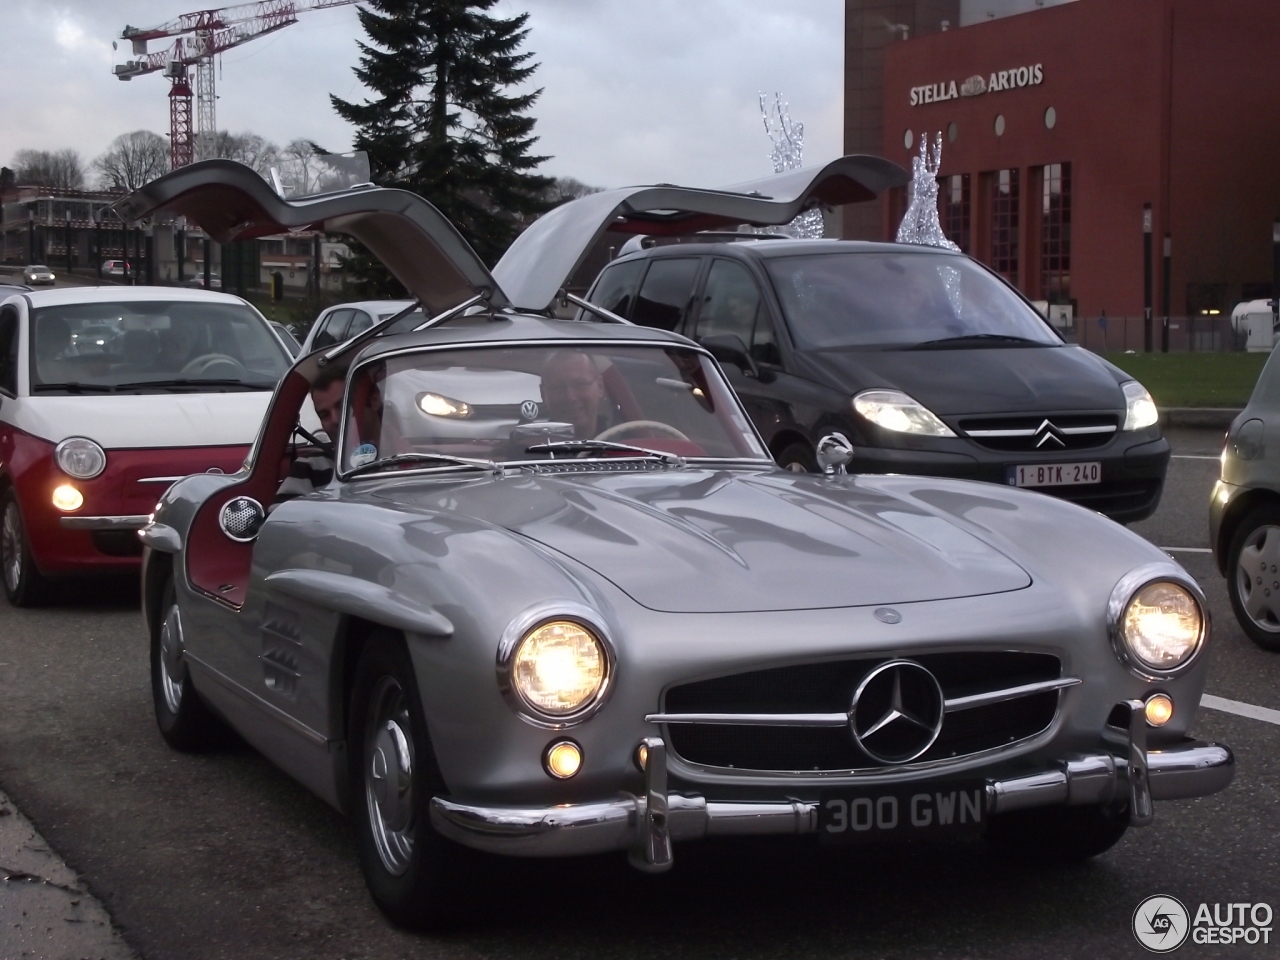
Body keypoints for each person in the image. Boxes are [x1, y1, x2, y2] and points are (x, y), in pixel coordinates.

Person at [275, 365, 343, 504]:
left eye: (342, 406)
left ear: (374, 399)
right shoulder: (309, 469)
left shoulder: (399, 457)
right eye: (325, 415)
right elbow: (280, 521)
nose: (335, 420)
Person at [540, 350, 613, 439]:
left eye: (580, 384)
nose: (570, 397)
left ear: (600, 387)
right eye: (558, 388)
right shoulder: (527, 450)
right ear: (543, 394)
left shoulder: (627, 445)